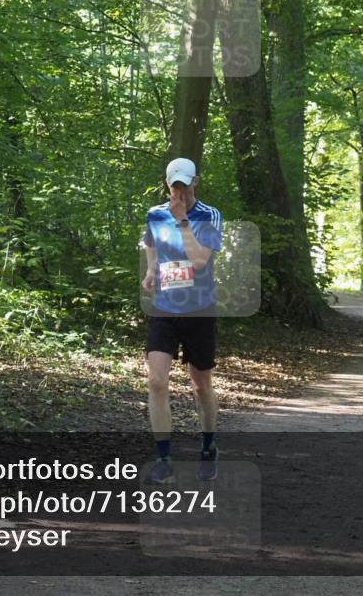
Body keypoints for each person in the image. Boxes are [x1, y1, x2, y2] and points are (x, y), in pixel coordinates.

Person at [140, 157, 222, 483]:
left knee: (201, 386)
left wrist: (183, 221)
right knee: (156, 381)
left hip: (199, 310)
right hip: (164, 309)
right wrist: (151, 269)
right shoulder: (155, 214)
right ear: (167, 184)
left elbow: (200, 260)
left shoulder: (208, 215)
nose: (180, 192)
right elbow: (150, 243)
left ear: (195, 182)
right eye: (175, 186)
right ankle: (164, 459)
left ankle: (208, 447)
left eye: (185, 186)